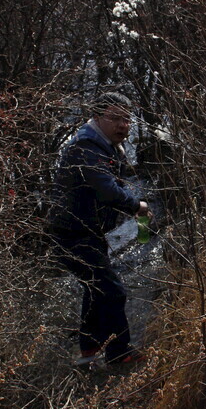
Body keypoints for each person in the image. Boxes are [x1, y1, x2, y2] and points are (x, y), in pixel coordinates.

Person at [49, 92, 150, 365]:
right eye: (115, 118)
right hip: (73, 233)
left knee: (96, 288)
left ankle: (89, 351)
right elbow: (105, 189)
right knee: (112, 290)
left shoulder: (100, 144)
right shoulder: (86, 147)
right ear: (97, 117)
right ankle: (120, 353)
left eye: (127, 119)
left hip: (84, 231)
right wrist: (135, 206)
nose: (122, 125)